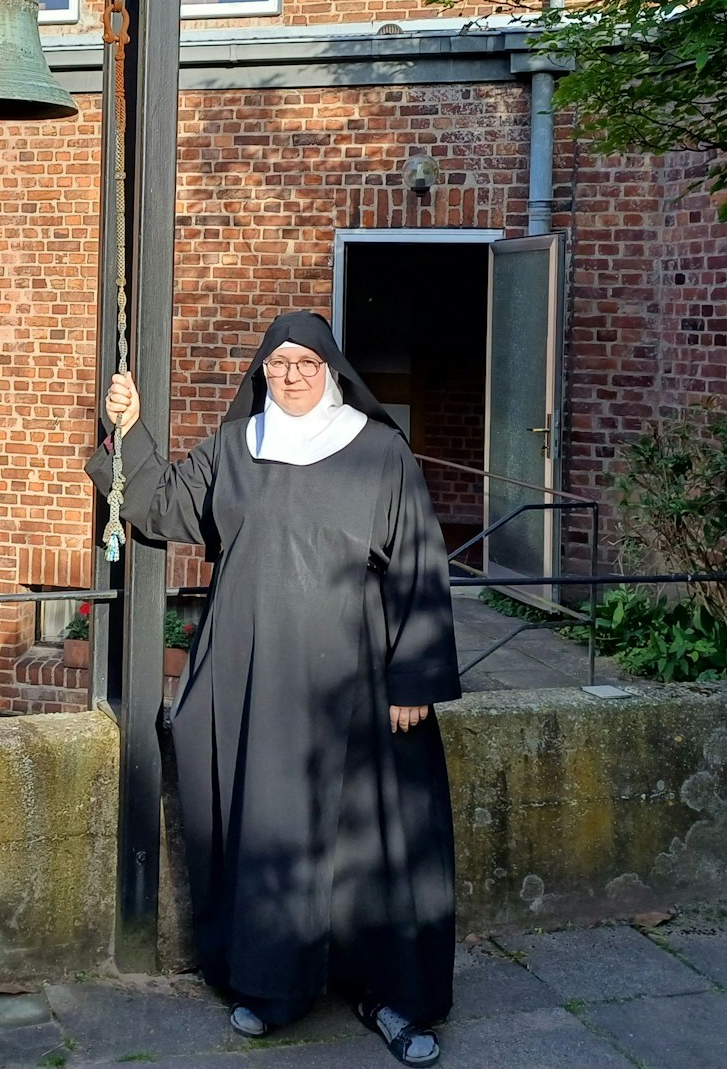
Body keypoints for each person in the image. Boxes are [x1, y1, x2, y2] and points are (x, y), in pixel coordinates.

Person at [87, 310, 461, 1068]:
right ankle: (273, 986)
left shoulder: (379, 452)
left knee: (373, 841)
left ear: (331, 370)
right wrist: (128, 430)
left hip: (356, 681)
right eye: (278, 364)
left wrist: (414, 674)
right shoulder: (238, 446)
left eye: (306, 364)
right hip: (254, 676)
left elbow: (419, 561)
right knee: (267, 832)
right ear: (263, 372)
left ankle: (389, 995)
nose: (291, 377)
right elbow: (164, 505)